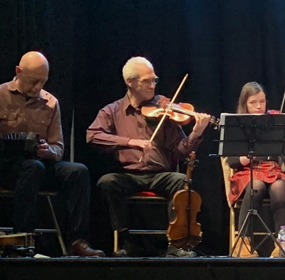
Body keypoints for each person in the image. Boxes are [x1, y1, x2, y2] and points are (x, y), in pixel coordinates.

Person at [0, 51, 103, 256]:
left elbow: (58, 148)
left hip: (38, 164)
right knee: (32, 168)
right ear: (18, 72)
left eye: (42, 82)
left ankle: (77, 241)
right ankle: (22, 239)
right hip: (2, 166)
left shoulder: (51, 103)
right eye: (33, 81)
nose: (37, 87)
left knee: (78, 171)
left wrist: (48, 150)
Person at [86, 57, 213, 257]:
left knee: (181, 181)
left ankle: (176, 245)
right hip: (128, 175)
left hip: (160, 175)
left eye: (155, 80)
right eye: (147, 81)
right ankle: (126, 241)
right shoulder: (113, 110)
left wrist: (195, 134)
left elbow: (180, 151)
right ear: (130, 82)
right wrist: (130, 142)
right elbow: (92, 136)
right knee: (107, 182)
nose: (153, 85)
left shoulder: (164, 109)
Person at [226, 82, 285, 257]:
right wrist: (251, 155)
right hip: (248, 171)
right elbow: (233, 161)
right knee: (256, 185)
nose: (259, 106)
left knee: (280, 187)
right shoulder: (238, 124)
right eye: (253, 102)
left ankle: (282, 241)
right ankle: (243, 242)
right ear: (245, 104)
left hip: (272, 170)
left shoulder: (275, 122)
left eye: (262, 101)